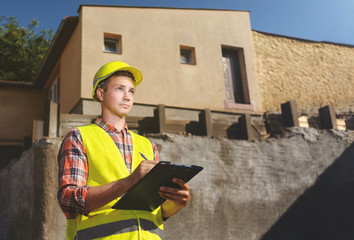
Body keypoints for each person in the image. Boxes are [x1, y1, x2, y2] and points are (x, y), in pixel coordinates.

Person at [57, 61, 191, 240]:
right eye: (120, 89)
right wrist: (129, 181)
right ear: (101, 93)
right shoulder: (79, 137)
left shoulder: (148, 146)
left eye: (131, 91)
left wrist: (176, 202)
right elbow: (68, 201)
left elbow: (156, 211)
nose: (127, 97)